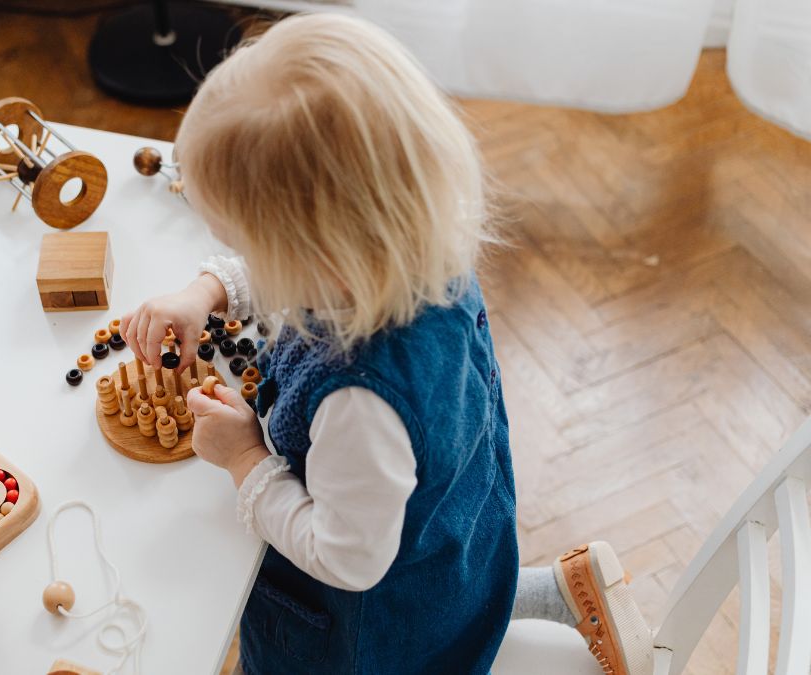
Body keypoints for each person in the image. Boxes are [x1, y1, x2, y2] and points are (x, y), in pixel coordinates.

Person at [120, 13, 651, 674]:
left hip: (368, 634)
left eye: (244, 246)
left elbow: (347, 557)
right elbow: (296, 271)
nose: (240, 258)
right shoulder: (419, 248)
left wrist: (245, 461)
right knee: (448, 593)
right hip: (456, 537)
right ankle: (538, 595)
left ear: (317, 258)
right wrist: (208, 291)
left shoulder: (359, 405)